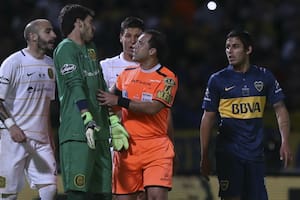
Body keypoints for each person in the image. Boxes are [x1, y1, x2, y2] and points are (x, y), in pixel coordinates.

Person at [199, 29, 293, 200]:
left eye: (235, 47)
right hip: (228, 153)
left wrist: (285, 141)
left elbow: (280, 108)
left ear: (248, 50)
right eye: (227, 47)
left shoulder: (264, 76)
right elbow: (208, 117)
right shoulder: (218, 79)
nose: (230, 51)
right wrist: (204, 155)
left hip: (255, 154)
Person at [97, 29, 178, 200]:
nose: (134, 45)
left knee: (156, 196)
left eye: (140, 43)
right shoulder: (126, 74)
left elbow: (153, 108)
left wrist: (119, 101)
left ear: (152, 51)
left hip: (156, 147)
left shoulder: (168, 78)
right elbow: (107, 102)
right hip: (127, 147)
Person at [53, 4, 113, 200]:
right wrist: (87, 118)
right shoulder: (64, 49)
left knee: (104, 193)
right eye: (89, 23)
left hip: (101, 132)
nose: (93, 27)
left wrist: (113, 121)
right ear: (78, 24)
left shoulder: (91, 49)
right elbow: (75, 85)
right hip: (78, 132)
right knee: (79, 194)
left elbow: (100, 86)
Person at [0, 19, 57, 200]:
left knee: (50, 189)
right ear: (32, 36)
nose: (53, 35)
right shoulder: (13, 63)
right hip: (12, 139)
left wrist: (50, 137)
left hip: (41, 141)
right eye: (48, 32)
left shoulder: (51, 65)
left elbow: (46, 105)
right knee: (7, 194)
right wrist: (12, 126)